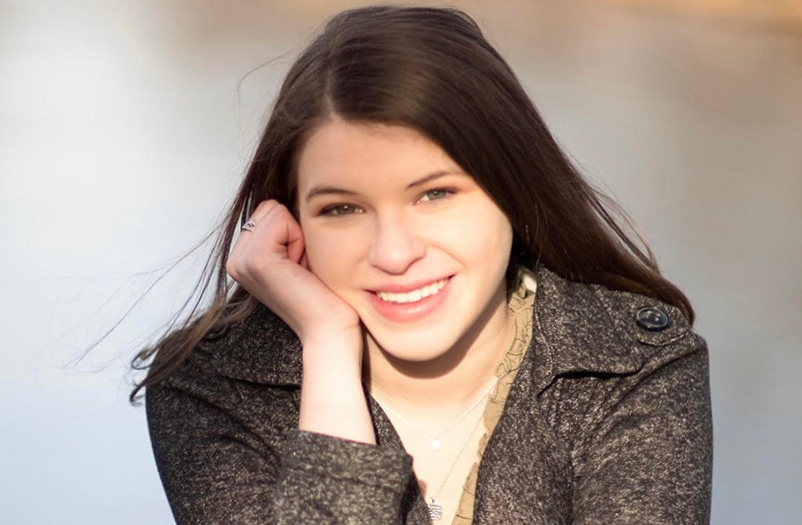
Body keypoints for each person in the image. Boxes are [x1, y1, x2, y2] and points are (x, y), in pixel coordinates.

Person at [138, 6, 712, 524]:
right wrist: (329, 345)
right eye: (342, 208)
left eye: (435, 194)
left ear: (512, 185)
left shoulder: (634, 370)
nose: (393, 253)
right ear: (291, 222)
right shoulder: (212, 390)